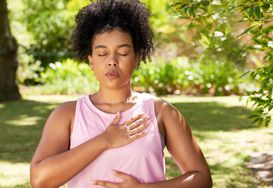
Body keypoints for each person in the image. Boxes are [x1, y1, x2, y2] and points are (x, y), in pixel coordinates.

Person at [30, 0, 212, 187]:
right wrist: (105, 140)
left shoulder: (161, 111)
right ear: (91, 61)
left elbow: (202, 179)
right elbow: (40, 180)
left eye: (123, 53)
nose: (112, 61)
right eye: (102, 54)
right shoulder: (67, 114)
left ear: (137, 59)